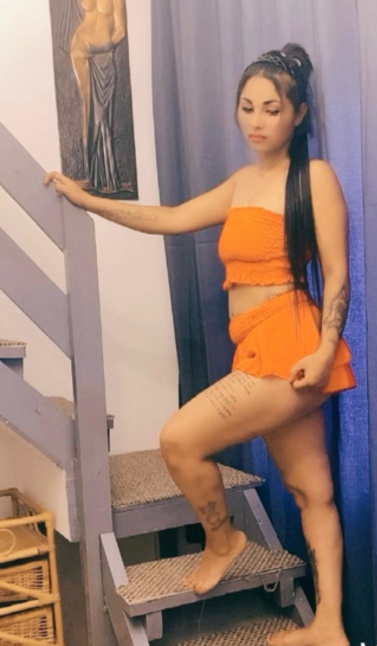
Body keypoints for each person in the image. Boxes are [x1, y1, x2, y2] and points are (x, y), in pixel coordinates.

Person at [44, 43, 355, 646]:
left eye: (271, 109)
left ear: (298, 115)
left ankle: (223, 540)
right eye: (247, 107)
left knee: (179, 440)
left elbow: (338, 273)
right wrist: (88, 201)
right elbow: (169, 218)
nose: (256, 121)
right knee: (310, 491)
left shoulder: (312, 177)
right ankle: (329, 626)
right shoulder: (242, 183)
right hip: (257, 343)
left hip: (291, 343)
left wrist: (324, 350)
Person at [50, 0, 126, 191]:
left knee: (101, 113)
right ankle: (92, 172)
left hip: (102, 53)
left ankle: (109, 175)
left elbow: (121, 30)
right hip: (80, 48)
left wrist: (106, 46)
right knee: (87, 107)